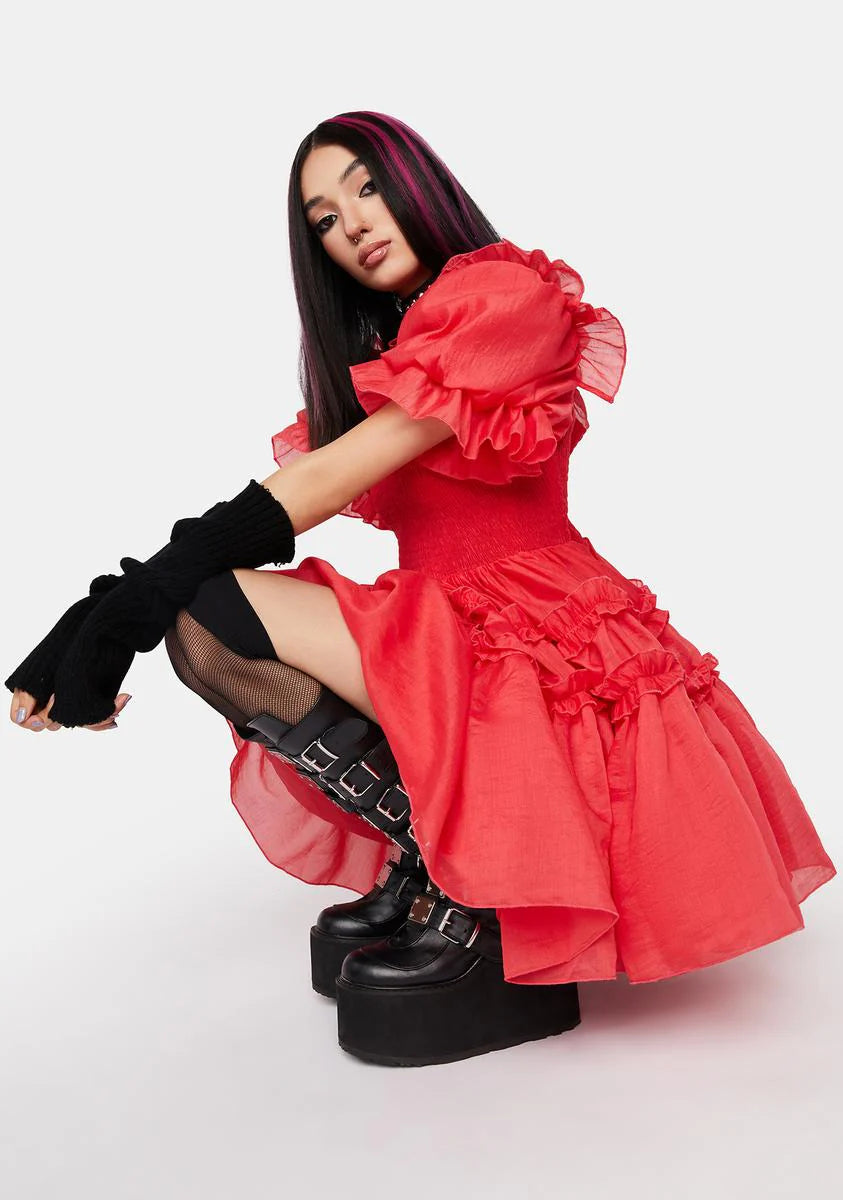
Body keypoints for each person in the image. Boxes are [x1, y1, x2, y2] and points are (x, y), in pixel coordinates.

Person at [6, 109, 837, 1069]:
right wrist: (101, 608)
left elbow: (319, 483)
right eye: (323, 219)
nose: (352, 224)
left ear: (418, 183)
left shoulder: (503, 295)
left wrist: (117, 617)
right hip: (437, 615)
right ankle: (444, 863)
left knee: (209, 606)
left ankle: (482, 900)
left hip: (531, 629)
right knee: (210, 619)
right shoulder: (389, 342)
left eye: (366, 188)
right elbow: (281, 500)